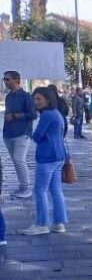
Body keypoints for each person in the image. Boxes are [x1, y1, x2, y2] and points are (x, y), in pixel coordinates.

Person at [22, 86, 68, 236]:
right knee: (56, 191)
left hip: (47, 156)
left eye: (39, 99)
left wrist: (30, 131)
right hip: (59, 155)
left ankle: (42, 223)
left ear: (48, 99)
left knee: (40, 190)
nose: (36, 102)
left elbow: (36, 136)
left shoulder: (47, 115)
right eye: (35, 99)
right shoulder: (56, 113)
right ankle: (59, 223)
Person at [2, 70, 37, 198]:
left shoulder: (26, 96)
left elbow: (33, 114)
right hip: (8, 133)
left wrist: (16, 116)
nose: (5, 82)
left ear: (17, 80)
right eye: (4, 79)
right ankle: (22, 187)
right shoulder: (9, 96)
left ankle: (26, 188)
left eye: (7, 79)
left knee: (19, 159)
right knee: (16, 161)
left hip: (22, 133)